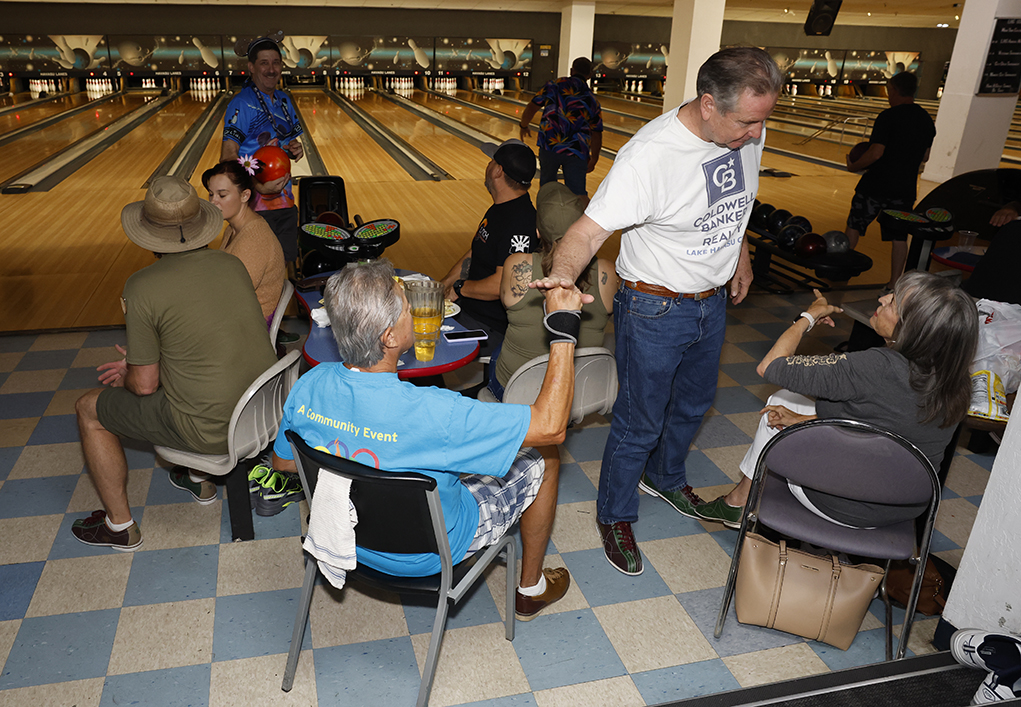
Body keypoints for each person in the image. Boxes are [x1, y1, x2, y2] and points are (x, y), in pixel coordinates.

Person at [531, 46, 783, 576]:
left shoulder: (744, 131)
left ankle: (665, 478)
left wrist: (737, 255)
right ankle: (615, 514)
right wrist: (561, 276)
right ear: (709, 104)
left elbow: (733, 203)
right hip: (654, 308)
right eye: (748, 123)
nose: (757, 135)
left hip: (711, 305)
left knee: (694, 404)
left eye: (763, 122)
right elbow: (584, 232)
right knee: (638, 422)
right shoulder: (649, 158)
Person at [270, 259, 589, 620]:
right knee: (543, 455)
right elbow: (551, 426)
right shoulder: (438, 412)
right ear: (389, 337)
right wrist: (563, 329)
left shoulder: (309, 384)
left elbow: (283, 462)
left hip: (345, 533)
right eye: (407, 308)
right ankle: (531, 589)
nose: (413, 311)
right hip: (429, 552)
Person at [71, 177, 278, 551]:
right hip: (262, 410)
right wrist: (143, 366)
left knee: (89, 409)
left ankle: (119, 527)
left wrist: (132, 374)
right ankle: (198, 480)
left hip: (211, 430)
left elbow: (146, 385)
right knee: (189, 381)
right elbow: (206, 346)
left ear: (147, 232)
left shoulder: (142, 286)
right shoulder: (230, 265)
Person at [695, 273, 978, 529]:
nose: (881, 298)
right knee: (790, 407)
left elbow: (770, 366)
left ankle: (738, 502)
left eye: (892, 302)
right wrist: (806, 420)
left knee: (781, 397)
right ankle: (738, 501)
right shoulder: (958, 381)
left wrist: (808, 316)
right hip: (902, 509)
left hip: (834, 501)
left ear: (912, 327)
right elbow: (883, 427)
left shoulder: (873, 366)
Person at [490, 181, 616, 401]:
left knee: (497, 350)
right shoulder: (606, 271)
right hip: (579, 392)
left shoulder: (517, 265)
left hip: (518, 393)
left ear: (538, 231)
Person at [440, 139, 539, 345]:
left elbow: (501, 285)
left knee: (419, 338)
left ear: (498, 171)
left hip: (489, 326)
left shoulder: (519, 222)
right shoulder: (501, 208)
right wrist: (442, 285)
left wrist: (459, 288)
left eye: (491, 161)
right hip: (471, 311)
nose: (487, 165)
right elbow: (476, 251)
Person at [844, 71, 935, 292]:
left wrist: (853, 166)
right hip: (904, 189)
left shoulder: (888, 117)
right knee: (899, 236)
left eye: (888, 91)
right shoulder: (925, 119)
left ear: (893, 90)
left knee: (854, 226)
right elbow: (925, 156)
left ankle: (841, 271)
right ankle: (895, 282)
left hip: (875, 185)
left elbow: (876, 153)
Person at [222, 34, 304, 268]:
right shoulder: (241, 103)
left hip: (286, 205)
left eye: (276, 62)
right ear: (251, 67)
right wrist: (257, 187)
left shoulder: (284, 100)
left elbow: (288, 144)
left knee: (287, 267)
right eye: (264, 63)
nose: (271, 69)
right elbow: (228, 158)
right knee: (256, 271)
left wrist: (293, 149)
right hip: (254, 209)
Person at [202, 160, 286, 323]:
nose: (213, 202)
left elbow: (231, 296)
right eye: (211, 194)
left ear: (245, 195)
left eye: (222, 195)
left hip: (249, 326)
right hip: (235, 315)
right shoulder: (232, 228)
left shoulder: (255, 238)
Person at [519, 57, 603, 197]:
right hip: (577, 150)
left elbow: (532, 107)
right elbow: (597, 132)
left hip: (550, 145)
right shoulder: (591, 98)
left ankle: (544, 218)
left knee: (547, 188)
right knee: (577, 194)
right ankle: (582, 219)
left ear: (572, 70)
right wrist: (594, 157)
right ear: (589, 75)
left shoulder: (553, 85)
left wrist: (523, 125)